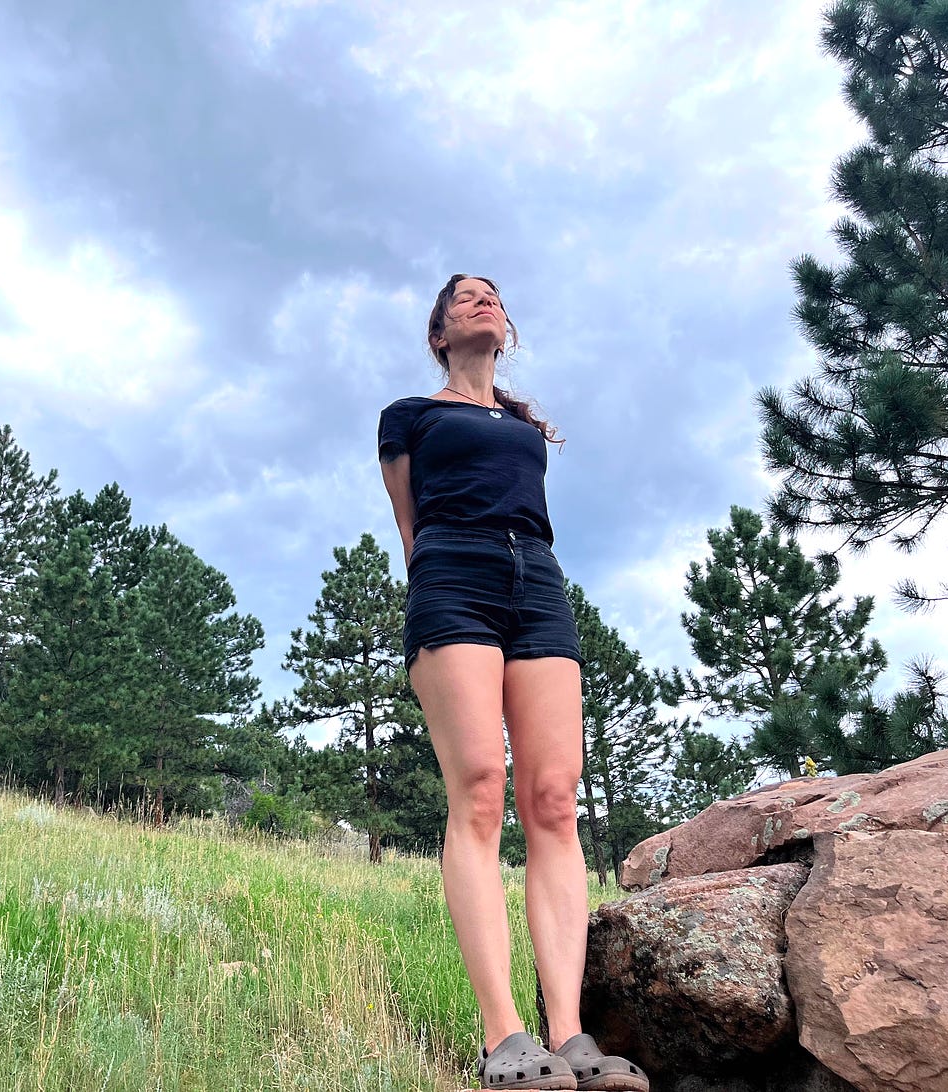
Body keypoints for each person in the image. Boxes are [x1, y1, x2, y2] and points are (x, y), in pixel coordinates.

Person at [377, 275, 648, 1092]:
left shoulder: (524, 425)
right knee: (482, 791)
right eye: (463, 296)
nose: (482, 301)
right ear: (439, 332)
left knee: (555, 798)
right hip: (453, 571)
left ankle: (570, 1039)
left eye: (493, 294)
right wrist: (435, 588)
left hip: (539, 578)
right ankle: (505, 1038)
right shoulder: (410, 417)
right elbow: (407, 526)